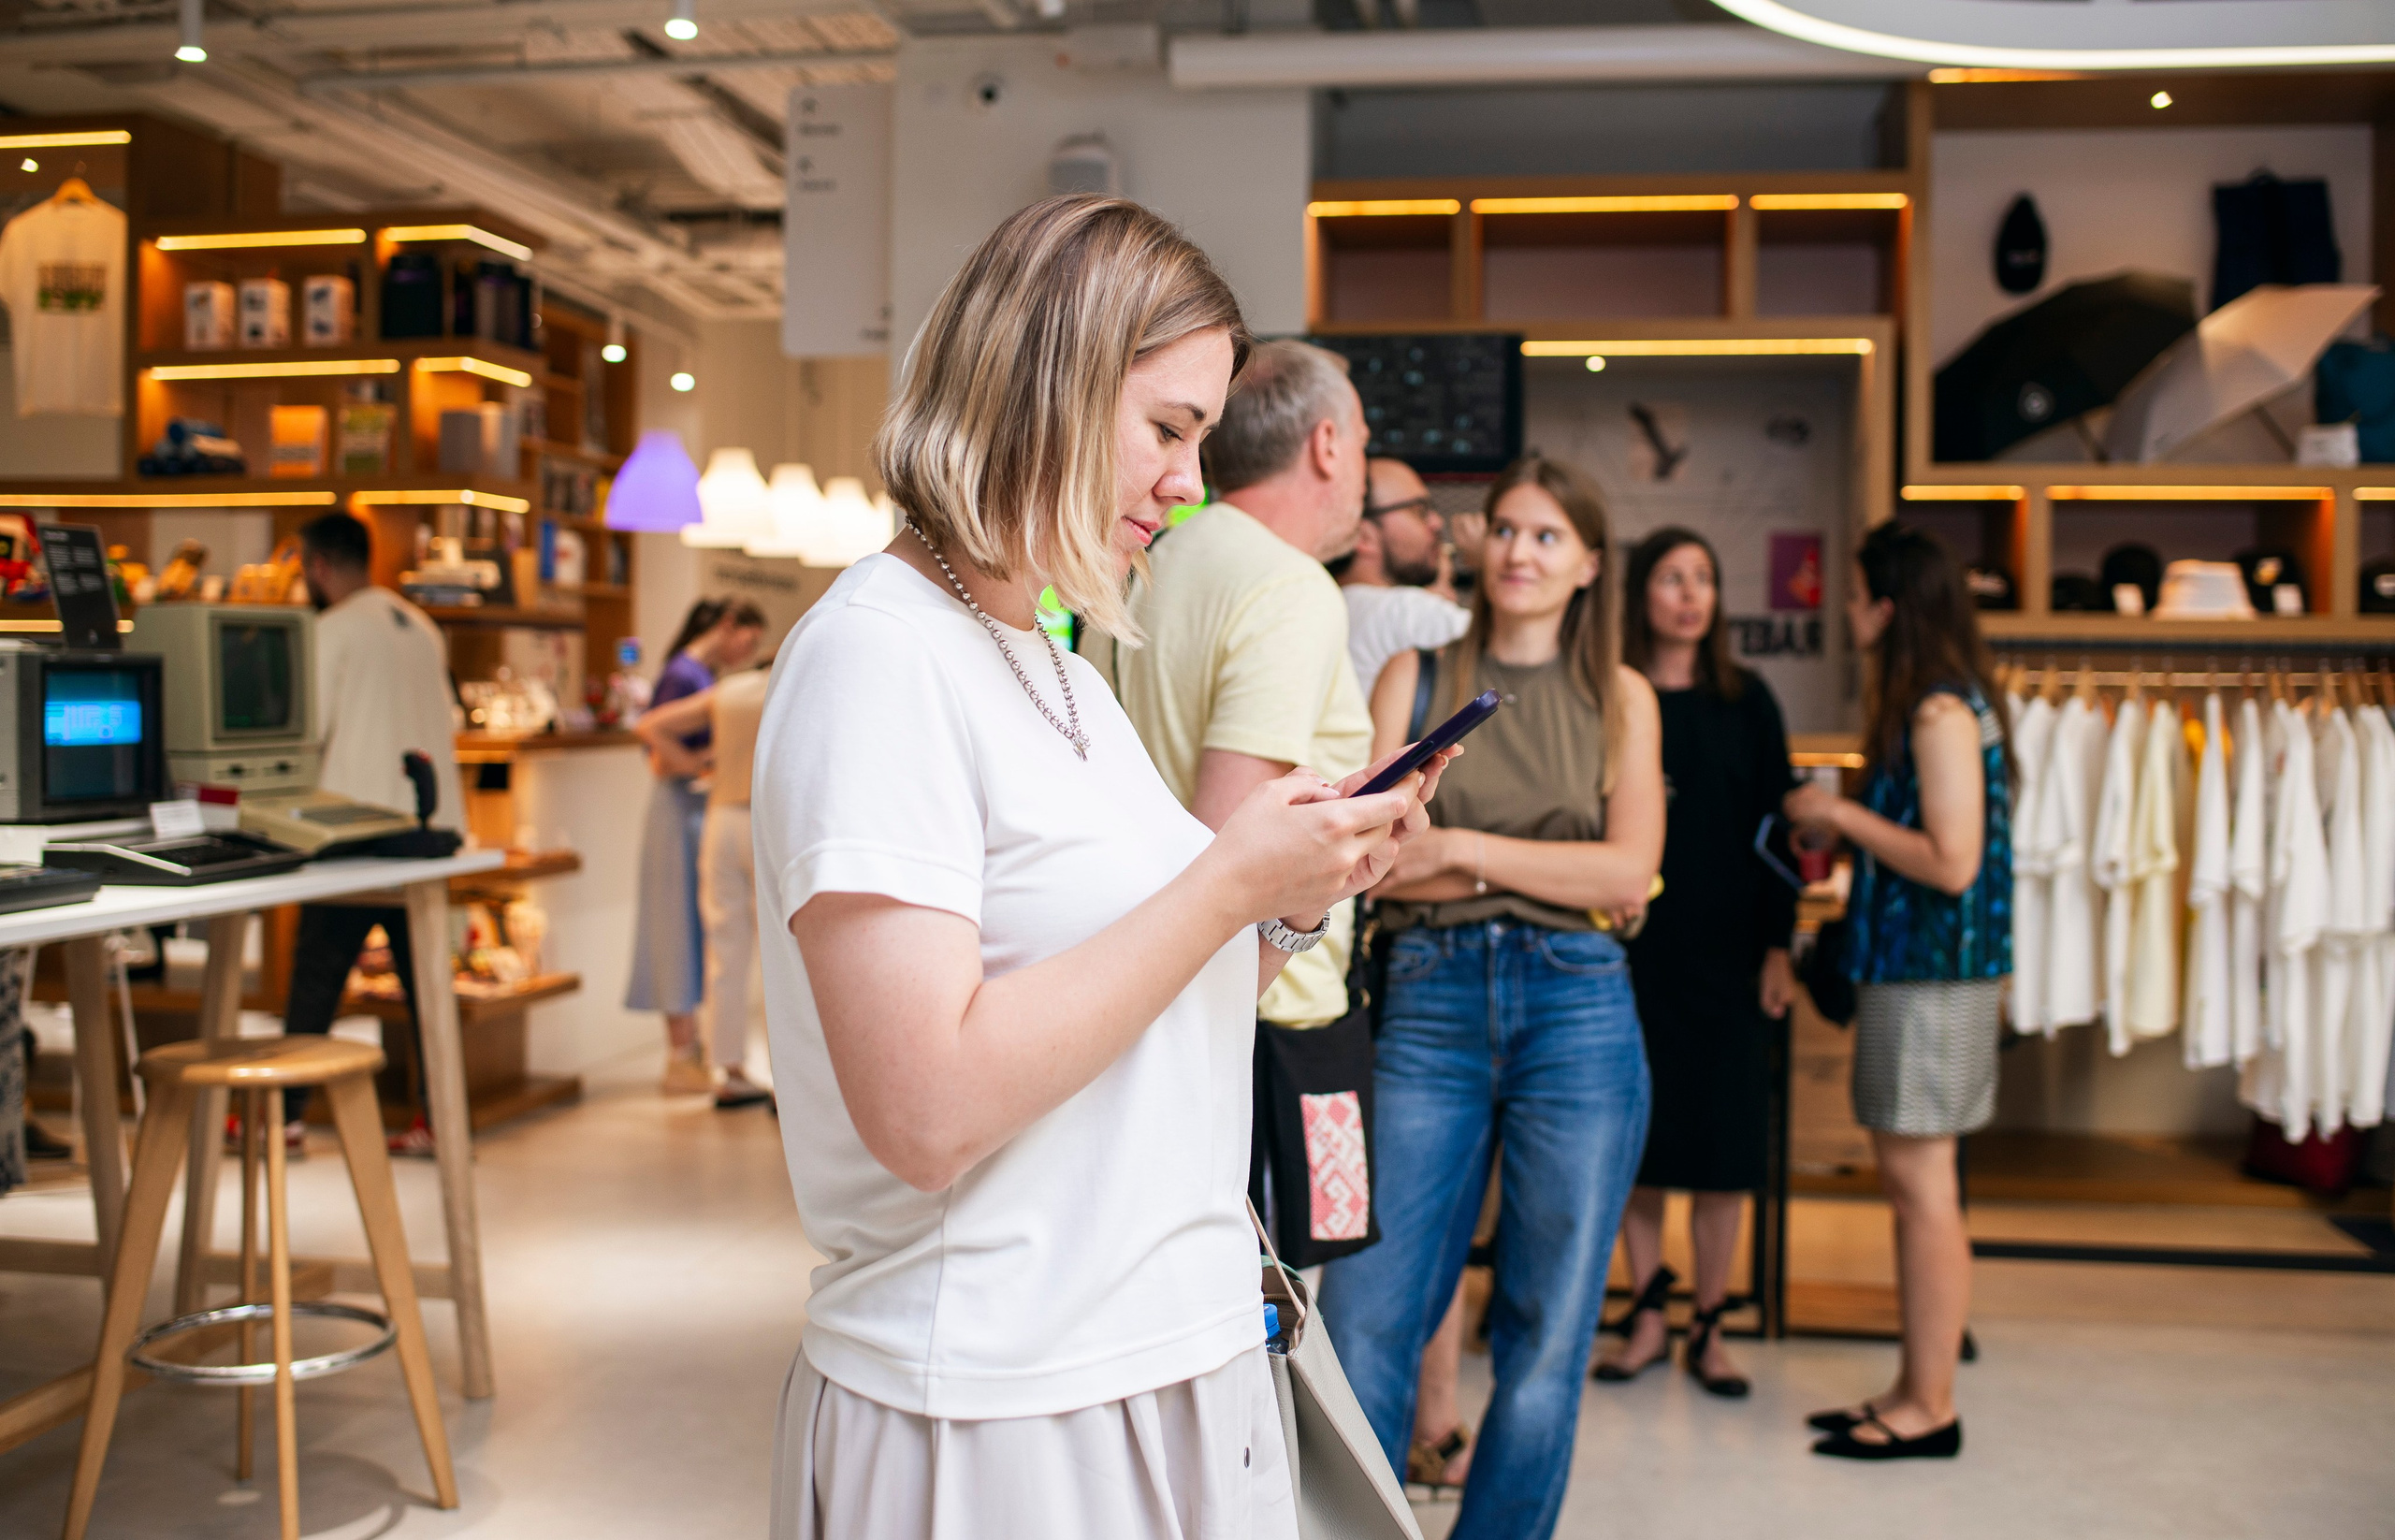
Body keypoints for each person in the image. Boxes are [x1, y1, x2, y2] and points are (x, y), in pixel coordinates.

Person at [751, 195, 1445, 1533]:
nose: (1190, 484)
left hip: (1171, 1352)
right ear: (1042, 389)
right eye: (1169, 430)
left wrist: (1295, 896)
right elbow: (926, 1108)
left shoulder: (1055, 666)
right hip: (1004, 1402)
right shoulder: (877, 660)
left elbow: (1163, 995)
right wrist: (1226, 881)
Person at [1317, 454, 1664, 1540]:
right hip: (1429, 999)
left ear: (1588, 564)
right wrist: (1531, 864)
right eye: (1508, 529)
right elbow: (1370, 858)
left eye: (1548, 536)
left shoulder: (1621, 695)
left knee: (1547, 1328)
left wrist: (1459, 843)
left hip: (1580, 1009)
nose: (1520, 550)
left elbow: (1627, 873)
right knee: (1370, 1314)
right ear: (1478, 545)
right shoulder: (1414, 676)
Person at [1088, 337, 1379, 1261]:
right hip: (1273, 1016)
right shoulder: (1291, 586)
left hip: (1144, 997)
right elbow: (1234, 844)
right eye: (1366, 445)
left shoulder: (1145, 563)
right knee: (1286, 1324)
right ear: (1328, 444)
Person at [1783, 521, 2011, 1461]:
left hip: (1929, 977)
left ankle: (1929, 1404)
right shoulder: (1941, 701)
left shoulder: (1936, 712)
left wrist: (1840, 812)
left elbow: (1951, 862)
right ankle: (1916, 1385)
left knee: (1922, 1191)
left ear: (1887, 604)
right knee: (1920, 1187)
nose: (1844, 609)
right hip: (1921, 977)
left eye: (1855, 592)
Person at [1593, 527, 1797, 1397]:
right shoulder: (1616, 697)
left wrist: (1781, 948)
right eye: (1673, 578)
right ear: (1640, 593)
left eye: (1704, 579)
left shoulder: (1747, 699)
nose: (1689, 594)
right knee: (1643, 1142)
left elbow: (1778, 838)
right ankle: (1646, 1312)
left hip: (1732, 957)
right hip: (1634, 953)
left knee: (1723, 1150)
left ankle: (1709, 1325)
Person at [283, 511, 467, 1155]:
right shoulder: (420, 625)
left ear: (319, 566)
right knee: (427, 990)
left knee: (317, 975)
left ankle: (285, 1119)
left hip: (355, 828)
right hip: (430, 829)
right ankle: (442, 1121)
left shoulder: (328, 631)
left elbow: (305, 733)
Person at [626, 596, 764, 1096]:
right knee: (678, 930)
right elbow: (656, 752)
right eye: (749, 637)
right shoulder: (687, 677)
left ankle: (709, 1057)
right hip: (682, 810)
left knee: (713, 941)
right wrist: (701, 764)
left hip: (708, 814)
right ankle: (683, 1055)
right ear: (730, 625)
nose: (749, 652)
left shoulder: (715, 683)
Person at [1338, 456, 1470, 695]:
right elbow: (1518, 652)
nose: (1437, 522)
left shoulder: (1331, 608)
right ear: (1363, 535)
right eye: (1419, 511)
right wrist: (1491, 562)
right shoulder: (1407, 610)